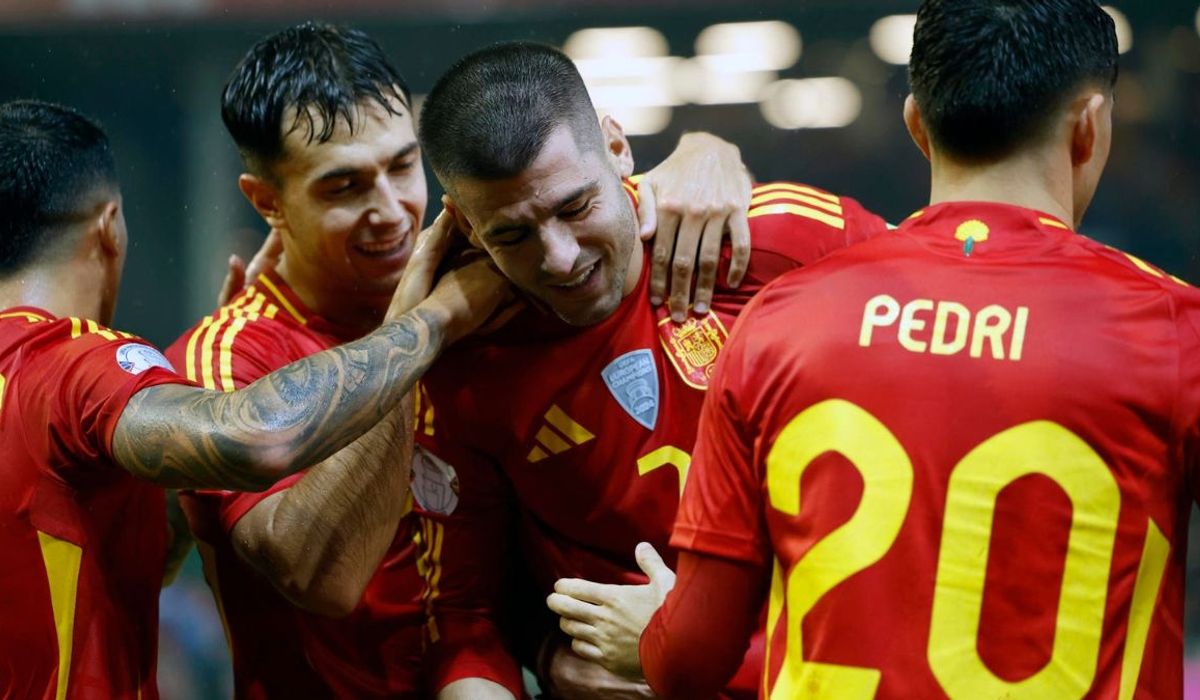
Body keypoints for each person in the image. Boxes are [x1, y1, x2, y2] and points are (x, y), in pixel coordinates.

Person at [170, 21, 761, 699]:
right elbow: (319, 576)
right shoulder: (234, 357)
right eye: (343, 188)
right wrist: (425, 327)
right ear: (267, 202)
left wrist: (708, 156)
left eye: (401, 166)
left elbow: (578, 192)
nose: (392, 211)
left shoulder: (514, 272)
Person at [636, 1, 1200, 697]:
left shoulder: (778, 321)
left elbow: (688, 661)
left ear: (915, 124)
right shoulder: (1177, 331)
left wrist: (654, 626)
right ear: (1089, 126)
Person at [412, 41, 889, 698]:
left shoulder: (782, 241)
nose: (559, 258)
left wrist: (673, 644)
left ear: (617, 148)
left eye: (575, 208)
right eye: (512, 235)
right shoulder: (467, 365)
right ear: (466, 226)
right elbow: (465, 617)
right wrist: (549, 660)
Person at [0, 99, 504, 699]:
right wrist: (428, 322)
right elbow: (257, 441)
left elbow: (122, 560)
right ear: (111, 227)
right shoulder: (69, 363)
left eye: (402, 166)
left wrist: (191, 396)